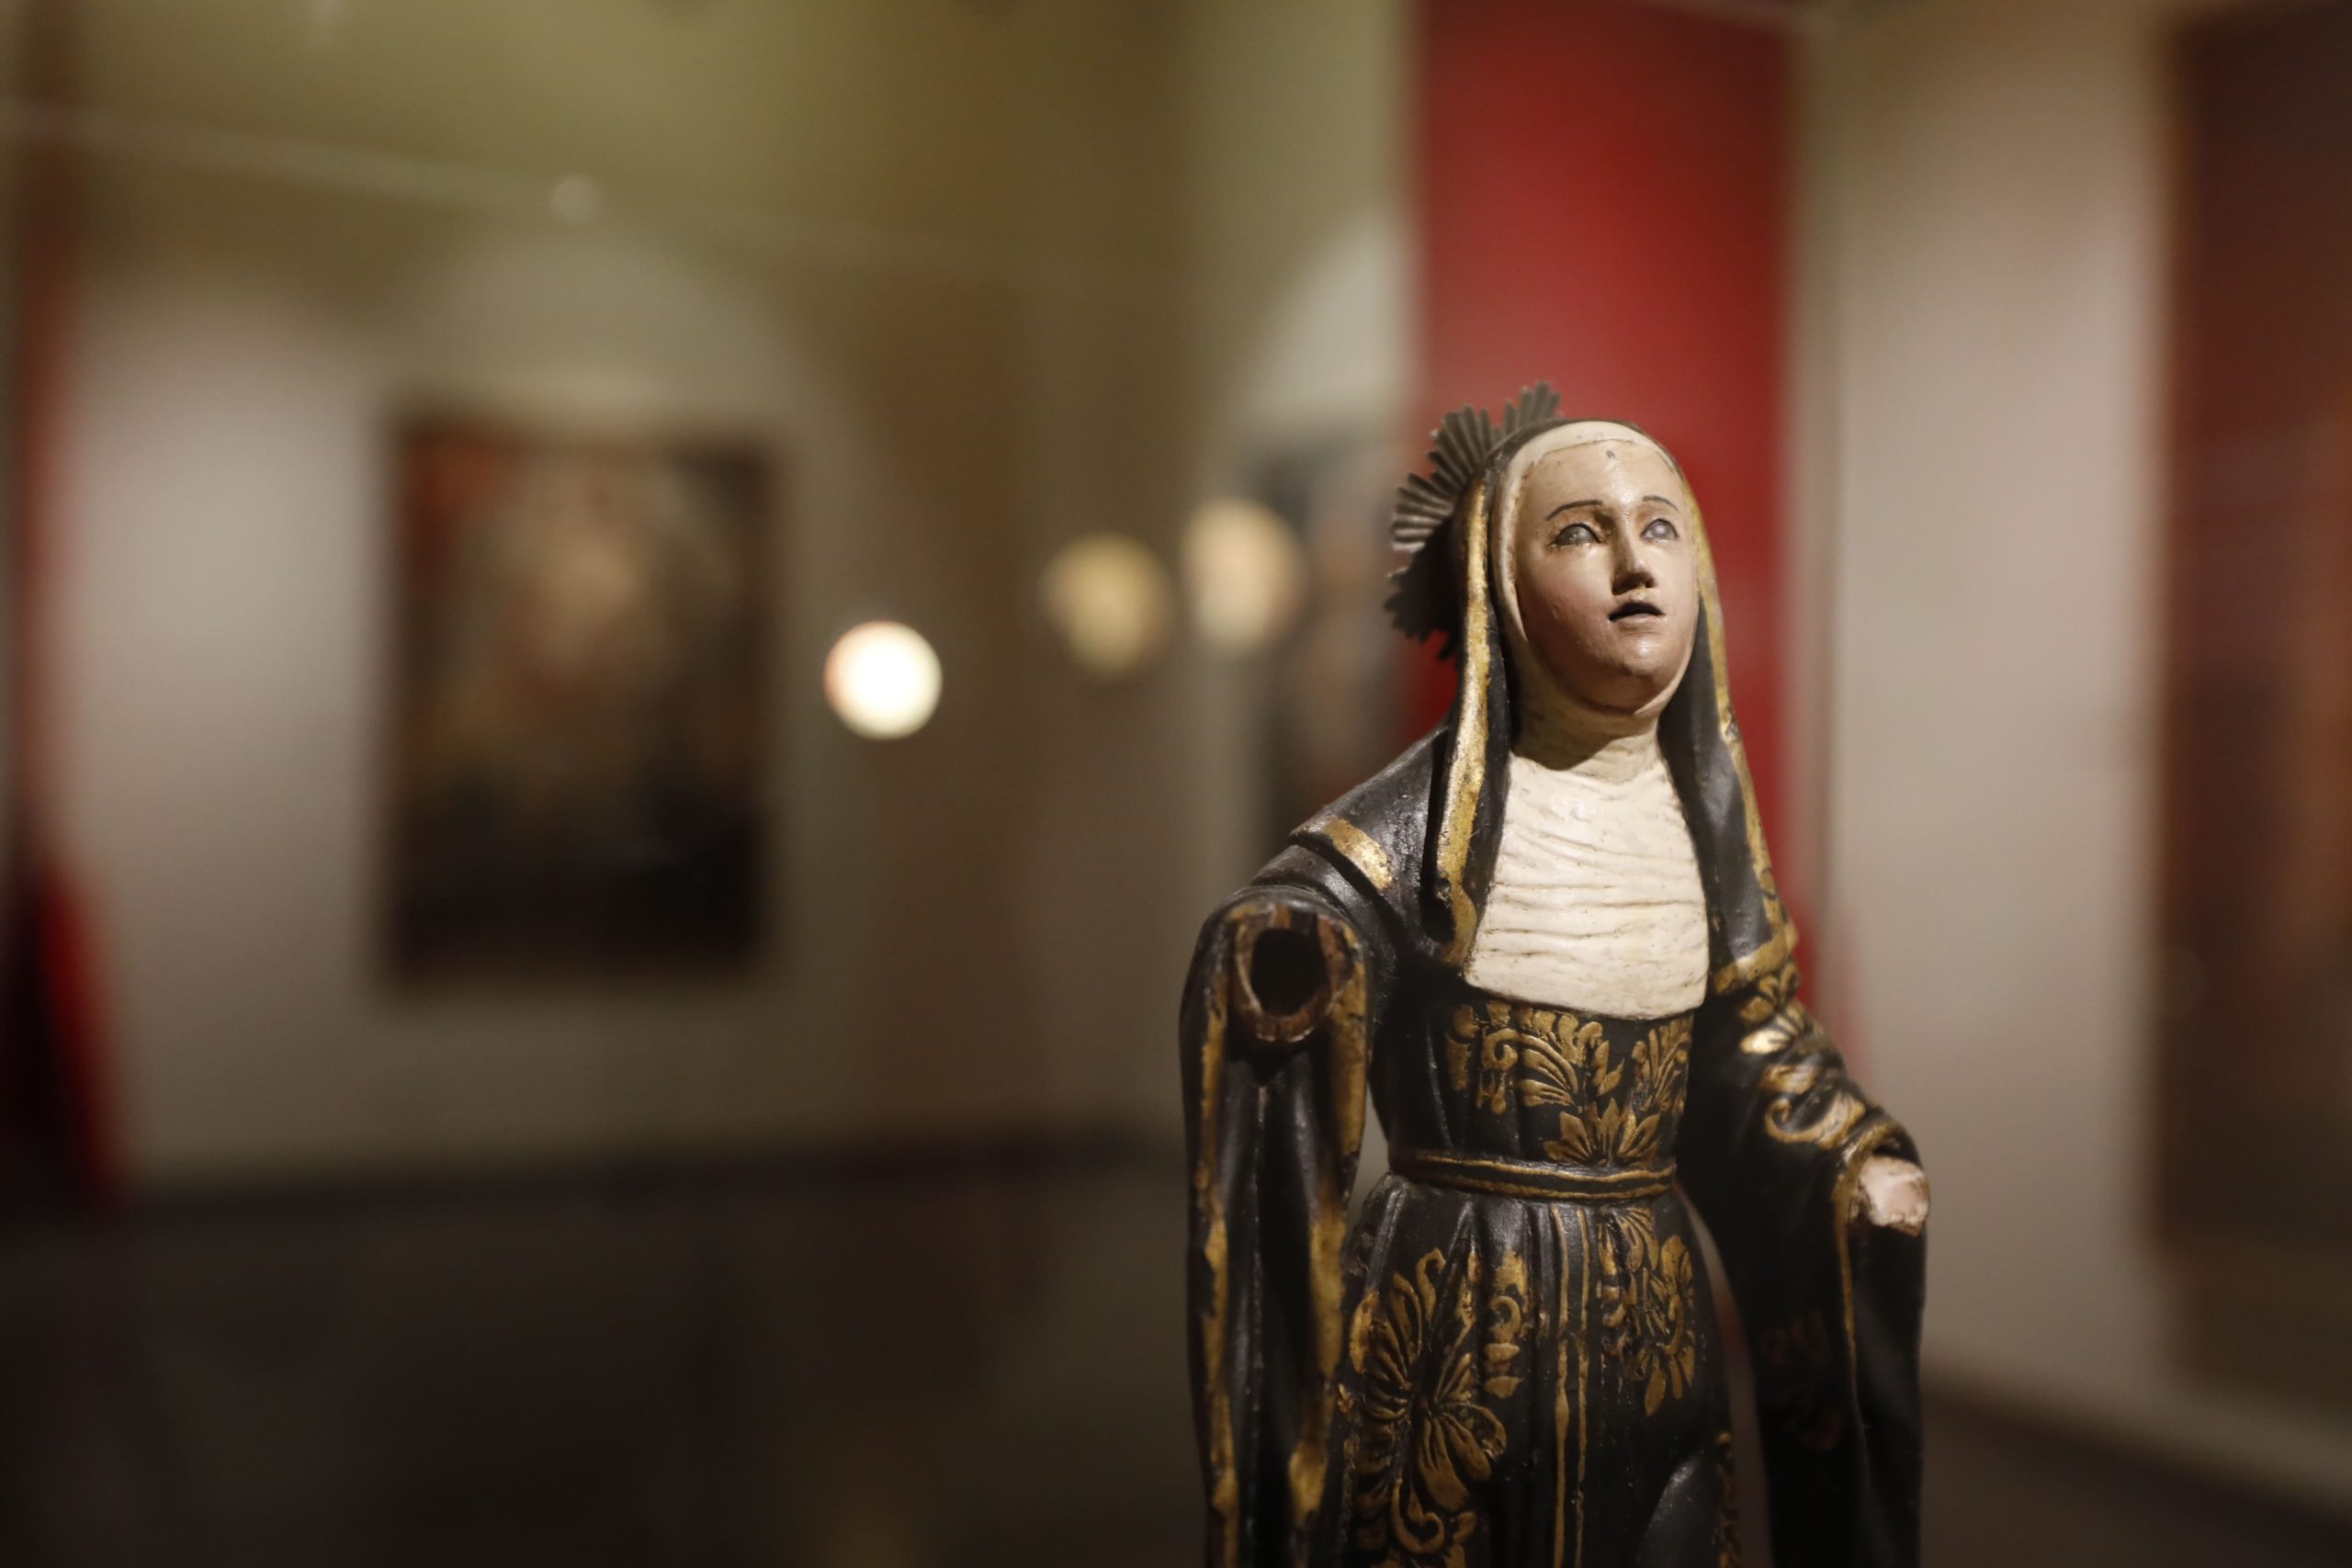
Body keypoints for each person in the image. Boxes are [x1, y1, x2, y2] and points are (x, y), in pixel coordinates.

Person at [1180, 389, 1927, 1568]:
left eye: (1660, 527)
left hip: (1658, 1339)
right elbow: (1295, 935)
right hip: (1455, 1323)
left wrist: (1844, 1161)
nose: (1634, 565)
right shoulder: (1411, 840)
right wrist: (1288, 952)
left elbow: (1747, 1055)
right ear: (1499, 586)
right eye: (1580, 532)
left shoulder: (1705, 837)